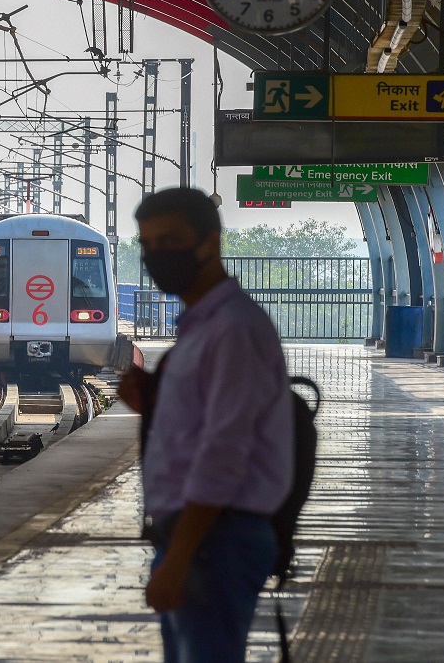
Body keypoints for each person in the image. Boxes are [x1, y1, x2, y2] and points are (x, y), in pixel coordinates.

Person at [117, 187, 294, 661]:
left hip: (215, 541)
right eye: (148, 245)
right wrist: (151, 403)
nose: (157, 256)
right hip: (199, 537)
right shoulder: (202, 325)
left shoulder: (234, 329)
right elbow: (203, 426)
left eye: (170, 241)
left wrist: (179, 559)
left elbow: (224, 451)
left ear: (209, 243)